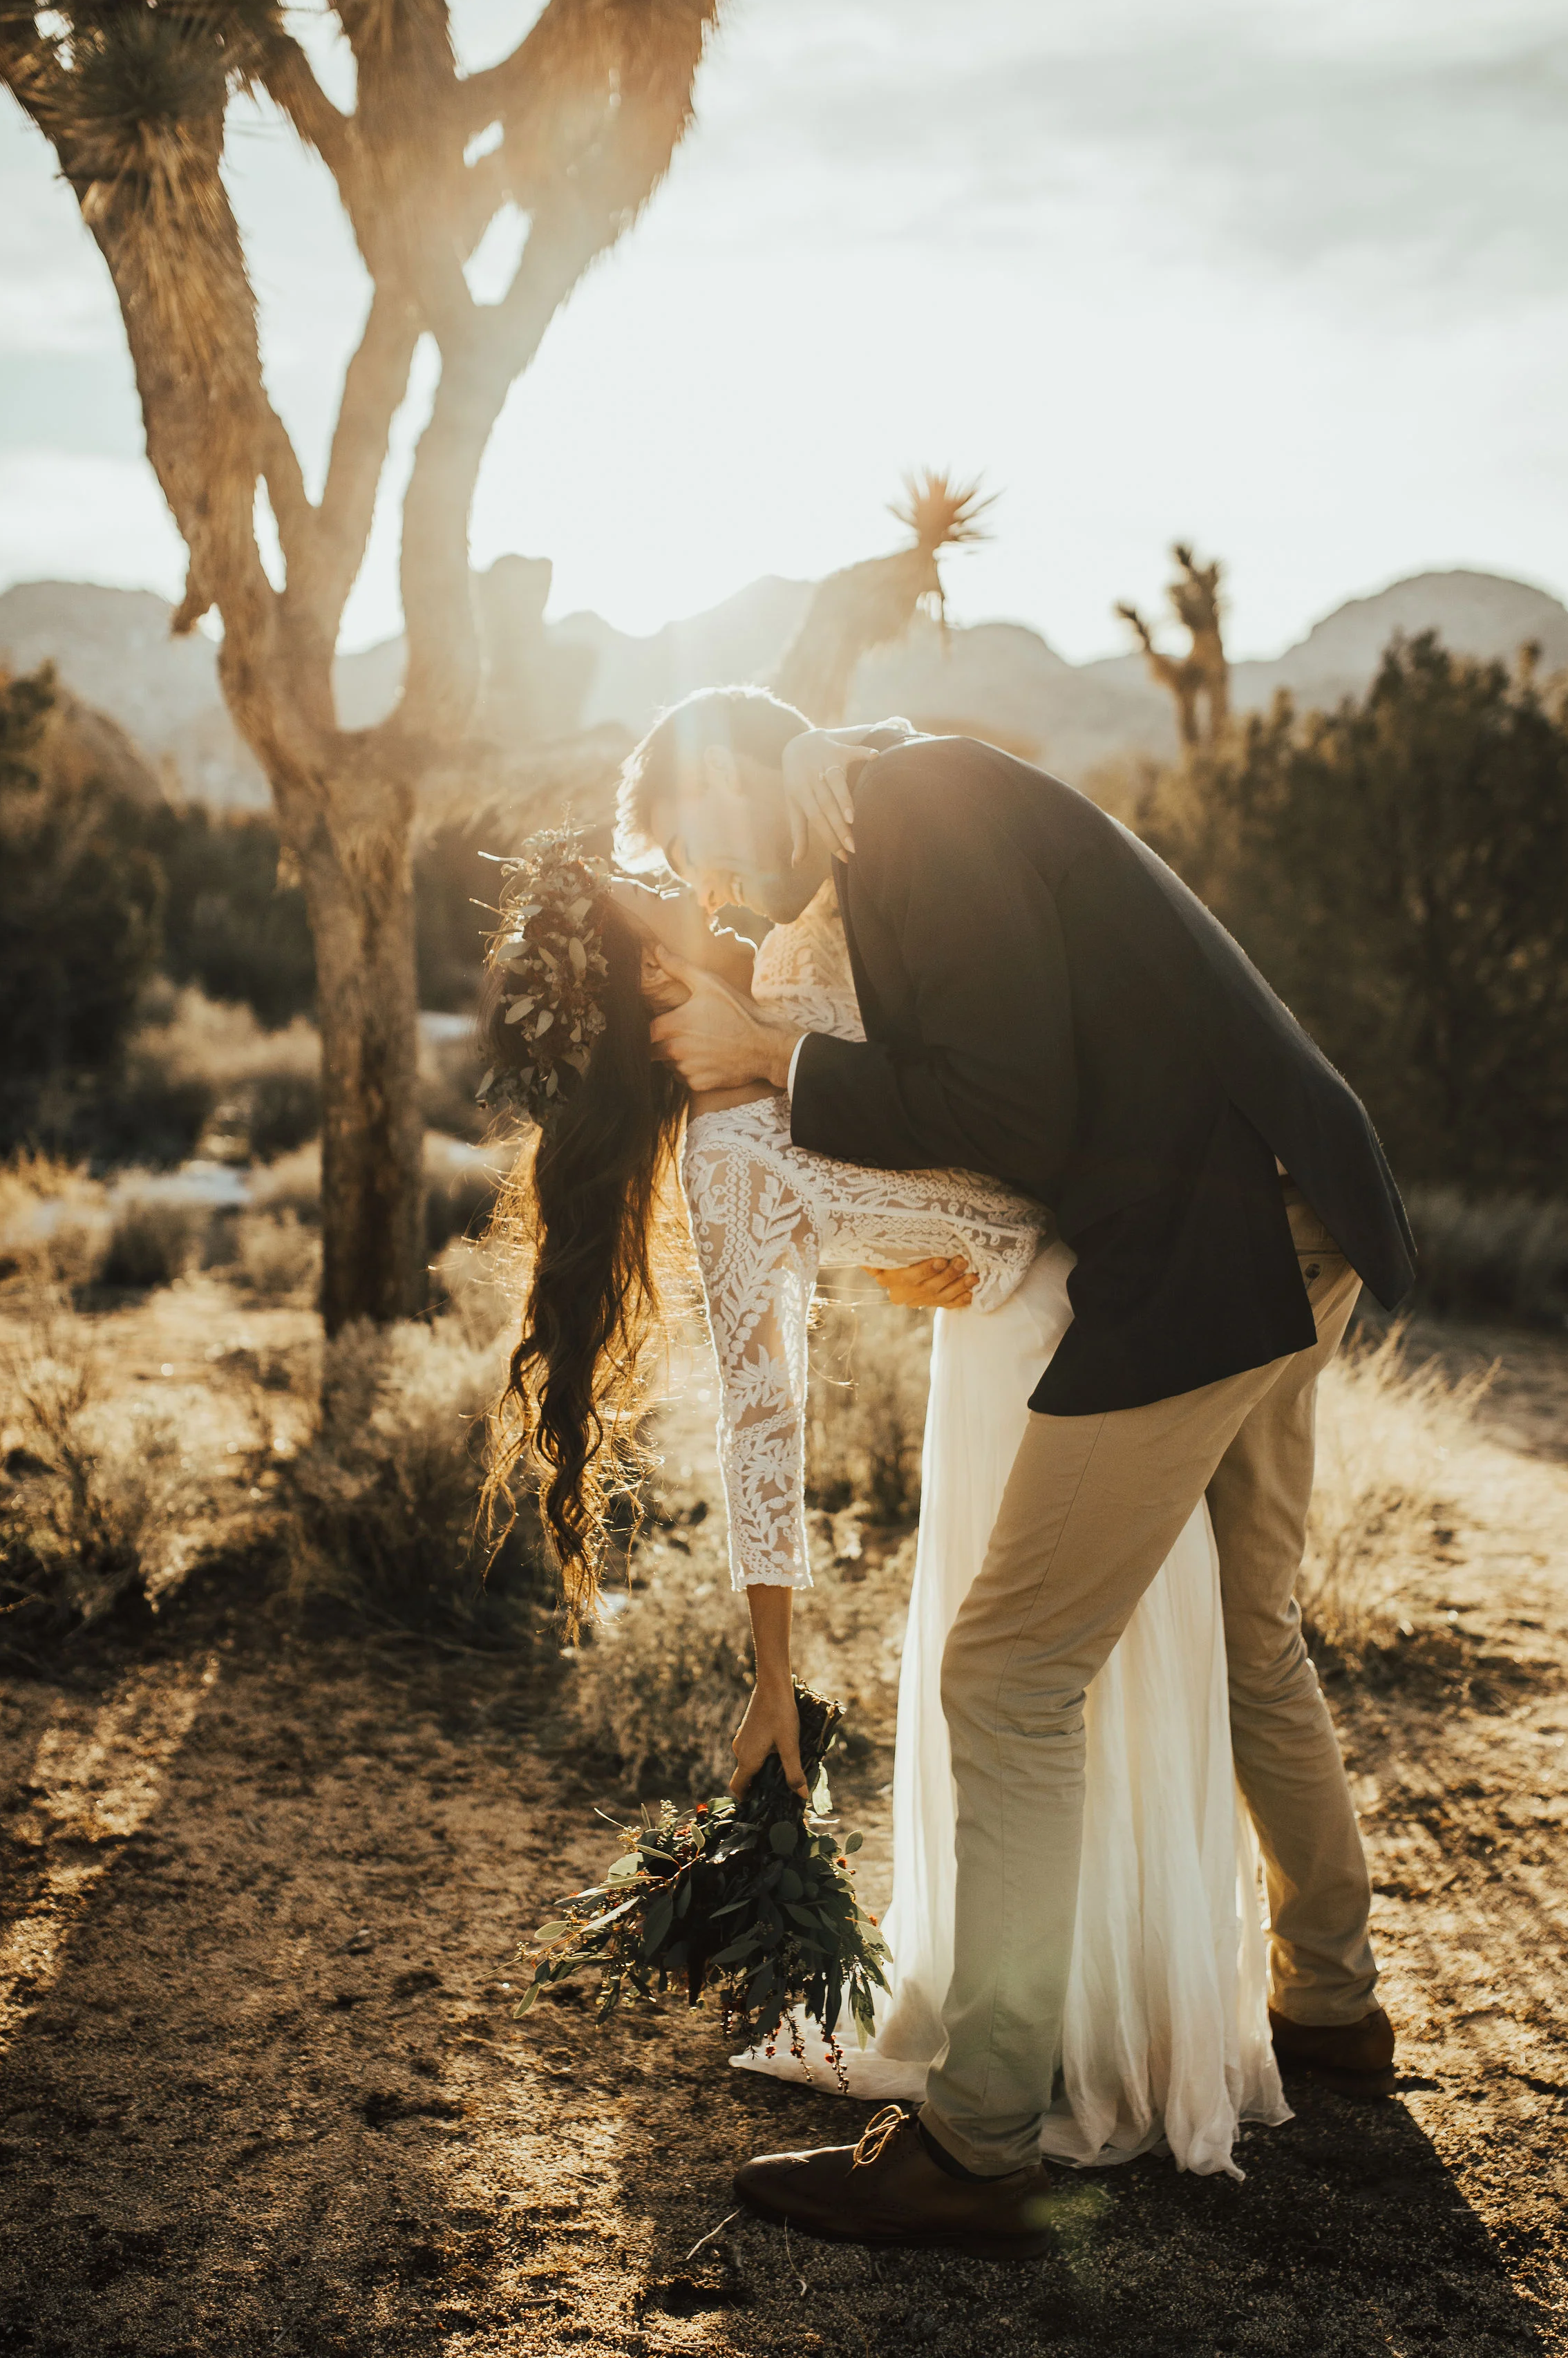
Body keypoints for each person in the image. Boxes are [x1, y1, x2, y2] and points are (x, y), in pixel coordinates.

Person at [618, 684, 1415, 2257]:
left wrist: (771, 1055)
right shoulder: (901, 800)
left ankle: (978, 2137)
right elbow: (1014, 1075)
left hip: (1217, 1238)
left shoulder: (913, 810)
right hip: (1290, 1205)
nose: (710, 895)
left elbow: (1015, 1103)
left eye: (697, 846)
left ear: (736, 770)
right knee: (1253, 1633)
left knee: (1005, 1673)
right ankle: (1332, 2004)